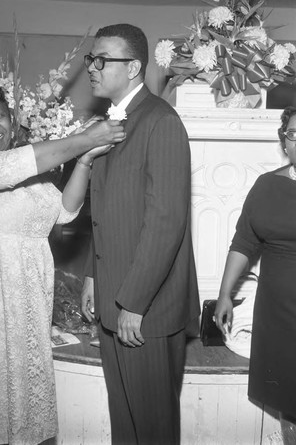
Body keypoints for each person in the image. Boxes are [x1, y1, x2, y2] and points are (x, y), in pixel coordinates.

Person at [0, 82, 125, 445]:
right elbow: (10, 167)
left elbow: (65, 211)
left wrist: (86, 160)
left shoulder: (33, 179)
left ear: (12, 121)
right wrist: (86, 139)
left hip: (30, 290)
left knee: (27, 384)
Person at [80, 23, 200, 445]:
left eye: (101, 59)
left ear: (133, 68)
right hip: (115, 297)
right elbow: (106, 211)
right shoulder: (112, 120)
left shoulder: (161, 122)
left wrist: (134, 302)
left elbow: (166, 222)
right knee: (125, 422)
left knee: (151, 428)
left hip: (144, 308)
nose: (91, 68)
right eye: (90, 59)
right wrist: (94, 276)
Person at [214, 105, 296, 445]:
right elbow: (244, 241)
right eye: (292, 135)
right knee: (289, 401)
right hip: (277, 315)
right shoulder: (266, 186)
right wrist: (224, 294)